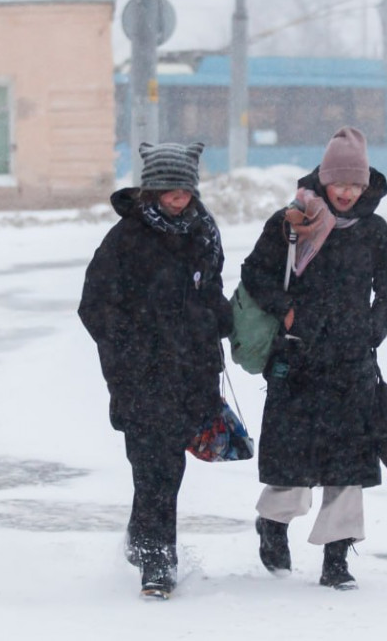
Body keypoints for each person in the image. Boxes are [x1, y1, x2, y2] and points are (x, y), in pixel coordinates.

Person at [242, 127, 387, 591]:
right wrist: (287, 311)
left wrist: (372, 331)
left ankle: (337, 558)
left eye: (356, 185)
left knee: (348, 467)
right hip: (298, 361)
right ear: (324, 179)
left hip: (352, 365)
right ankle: (273, 525)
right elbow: (254, 272)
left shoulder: (375, 232)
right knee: (291, 460)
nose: (349, 193)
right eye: (341, 184)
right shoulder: (292, 220)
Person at [78, 141, 233, 600]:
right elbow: (94, 307)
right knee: (154, 469)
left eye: (184, 187)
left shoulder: (204, 231)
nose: (178, 196)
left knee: (166, 472)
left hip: (190, 371)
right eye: (168, 188)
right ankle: (157, 561)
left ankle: (144, 539)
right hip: (142, 376)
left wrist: (217, 321)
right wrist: (128, 353)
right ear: (151, 189)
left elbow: (211, 290)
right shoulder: (125, 238)